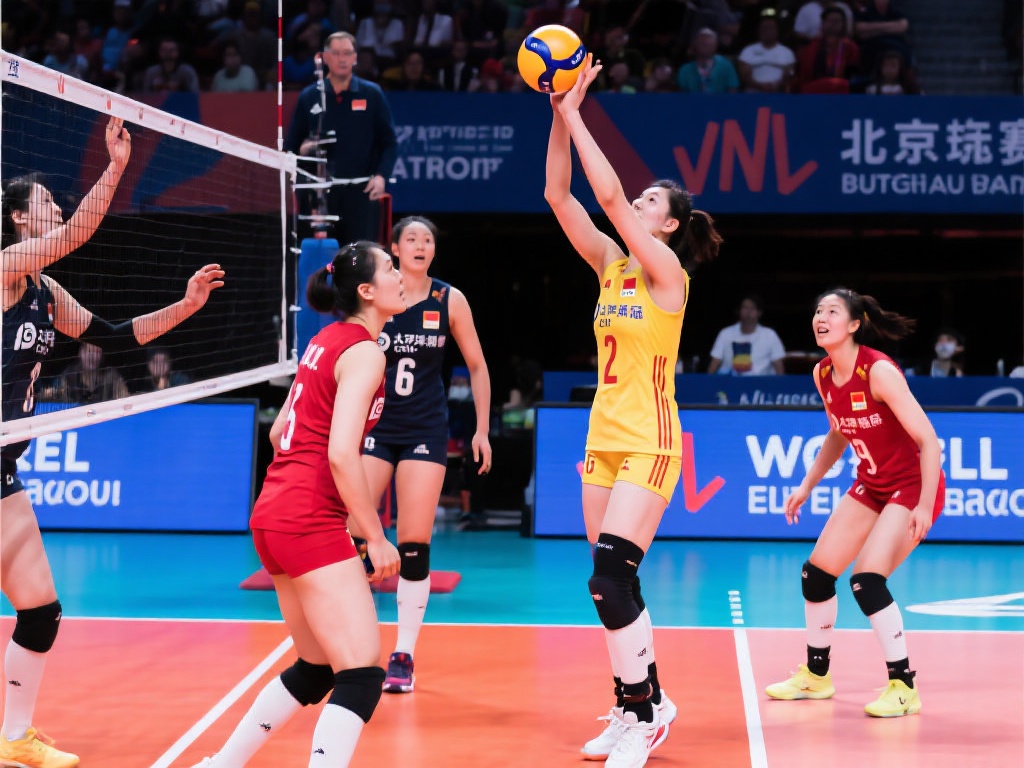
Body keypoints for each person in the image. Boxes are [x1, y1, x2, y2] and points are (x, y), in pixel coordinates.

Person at [1, 117, 224, 768]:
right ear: (18, 218)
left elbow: (118, 337)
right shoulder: (7, 269)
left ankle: (13, 737)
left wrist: (185, 306)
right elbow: (75, 234)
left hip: (5, 472)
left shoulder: (46, 293)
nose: (55, 207)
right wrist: (117, 168)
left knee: (41, 611)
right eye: (44, 201)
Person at [545, 56, 722, 768]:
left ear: (669, 224)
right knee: (610, 585)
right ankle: (634, 703)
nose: (637, 204)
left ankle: (646, 717)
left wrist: (577, 110)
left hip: (651, 439)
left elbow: (609, 196)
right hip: (603, 436)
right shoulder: (609, 266)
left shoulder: (667, 273)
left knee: (610, 577)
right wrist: (556, 115)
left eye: (652, 202)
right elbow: (559, 195)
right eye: (641, 198)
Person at [191, 241, 405, 767]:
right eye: (390, 267)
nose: (400, 274)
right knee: (362, 673)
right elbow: (341, 453)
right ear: (366, 290)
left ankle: (221, 764)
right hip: (309, 518)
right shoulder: (365, 352)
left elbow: (279, 432)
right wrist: (375, 536)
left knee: (316, 667)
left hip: (273, 514)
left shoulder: (323, 340)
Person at [765, 288, 944, 719]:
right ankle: (816, 676)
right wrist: (807, 485)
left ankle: (904, 687)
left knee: (866, 580)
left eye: (832, 311)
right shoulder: (822, 373)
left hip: (911, 486)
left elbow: (928, 441)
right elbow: (838, 432)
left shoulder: (878, 371)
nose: (821, 317)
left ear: (853, 324)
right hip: (872, 483)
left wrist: (923, 505)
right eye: (817, 310)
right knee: (816, 576)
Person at [353, 215, 492, 694]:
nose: (420, 245)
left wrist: (481, 429)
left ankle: (403, 654)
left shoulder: (449, 298)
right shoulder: (378, 295)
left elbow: (478, 366)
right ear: (394, 248)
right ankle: (355, 644)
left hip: (424, 431)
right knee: (353, 535)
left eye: (427, 239)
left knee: (414, 542)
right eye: (411, 238)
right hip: (376, 427)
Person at [284, 31, 397, 246]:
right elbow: (291, 147)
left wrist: (382, 176)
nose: (342, 59)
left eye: (347, 53)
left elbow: (390, 143)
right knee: (324, 257)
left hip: (362, 193)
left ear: (355, 57)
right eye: (336, 53)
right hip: (320, 197)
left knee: (359, 257)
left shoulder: (372, 94)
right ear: (325, 58)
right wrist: (305, 150)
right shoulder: (309, 96)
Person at [707, 294, 786, 375]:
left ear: (759, 313)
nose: (748, 311)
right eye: (745, 307)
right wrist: (708, 381)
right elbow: (715, 362)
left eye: (752, 308)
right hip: (731, 381)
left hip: (760, 381)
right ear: (739, 311)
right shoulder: (725, 333)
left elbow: (778, 366)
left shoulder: (770, 335)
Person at [48, 341, 128, 404]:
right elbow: (58, 404)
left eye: (96, 352)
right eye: (88, 350)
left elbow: (125, 402)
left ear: (101, 356)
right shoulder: (69, 377)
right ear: (80, 353)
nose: (92, 356)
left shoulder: (112, 376)